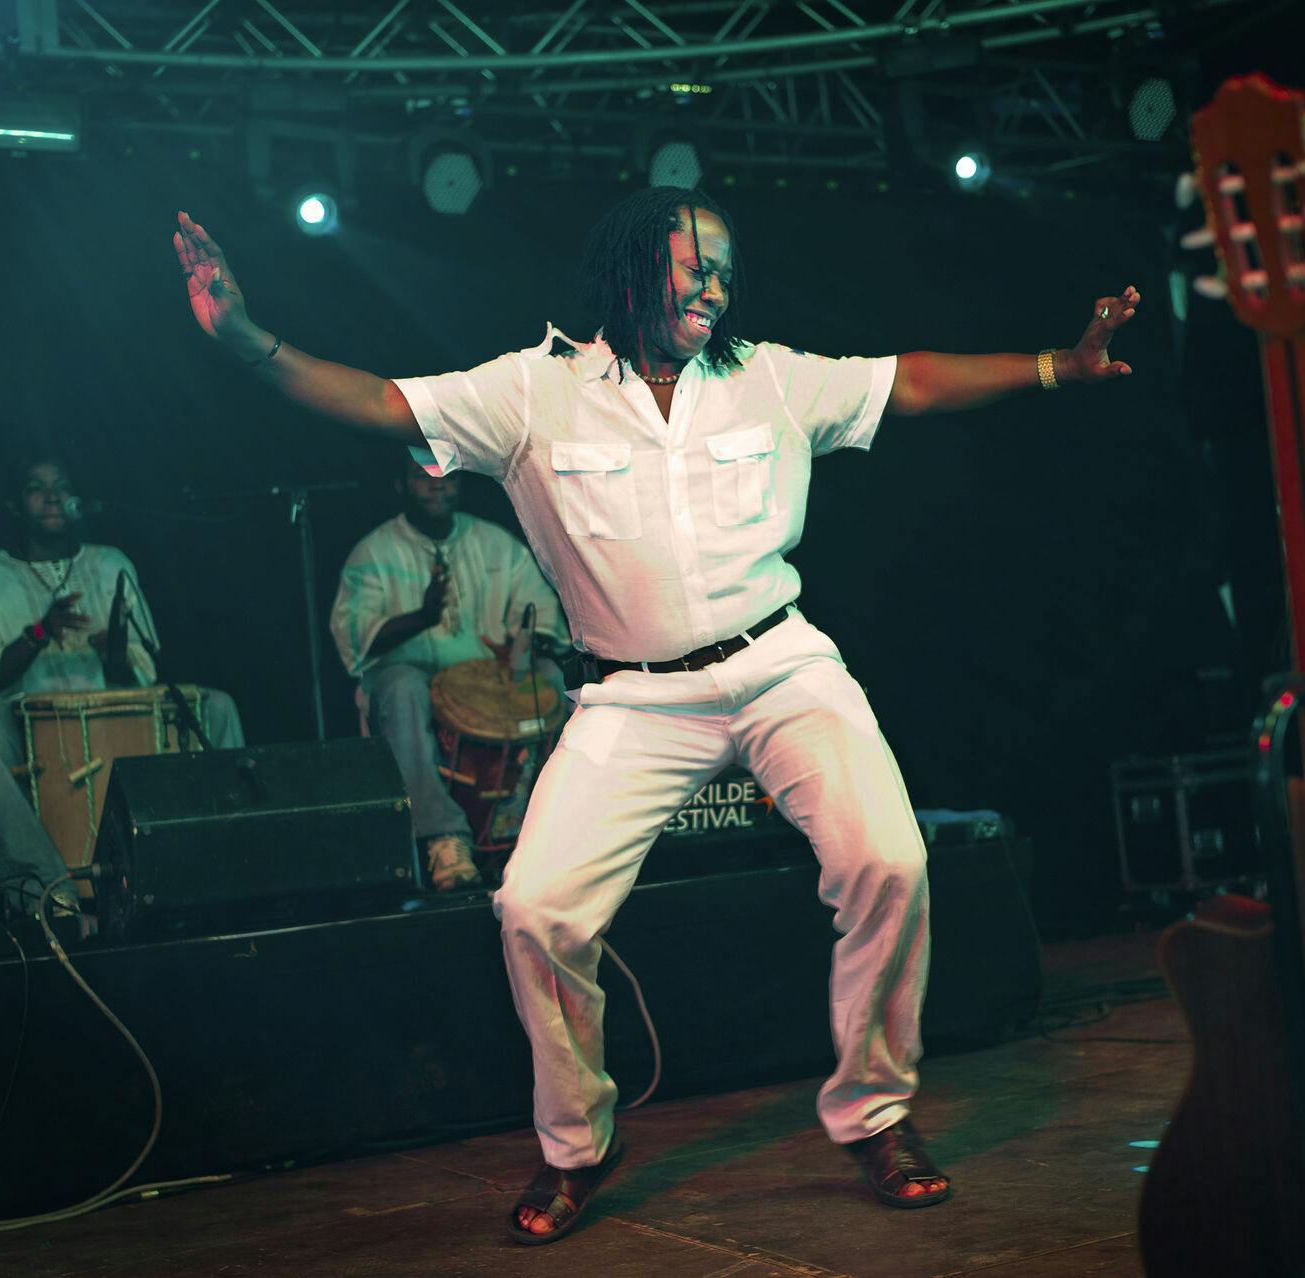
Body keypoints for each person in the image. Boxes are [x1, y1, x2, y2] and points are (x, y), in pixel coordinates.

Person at [172, 189, 1139, 1241]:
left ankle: (874, 1114)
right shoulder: (533, 392)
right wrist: (244, 339)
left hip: (779, 664)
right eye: (695, 265)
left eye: (726, 267)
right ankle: (578, 1145)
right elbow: (380, 406)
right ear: (634, 268)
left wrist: (1056, 365)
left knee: (890, 865)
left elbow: (906, 382)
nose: (716, 285)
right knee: (536, 911)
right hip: (633, 695)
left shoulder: (769, 375)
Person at [0, 454, 245, 920]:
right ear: (13, 504)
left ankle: (226, 870)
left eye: (61, 485)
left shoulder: (111, 564)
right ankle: (48, 898)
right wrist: (39, 633)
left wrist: (116, 656)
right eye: (36, 487)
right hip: (30, 720)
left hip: (117, 709)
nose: (53, 496)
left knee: (220, 707)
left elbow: (145, 669)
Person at [330, 453, 567, 891]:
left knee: (552, 678)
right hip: (416, 677)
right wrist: (421, 616)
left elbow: (542, 615)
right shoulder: (375, 551)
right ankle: (444, 838)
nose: (436, 485)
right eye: (423, 477)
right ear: (401, 486)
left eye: (446, 476)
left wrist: (526, 643)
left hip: (493, 679)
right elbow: (357, 641)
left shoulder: (497, 544)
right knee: (400, 688)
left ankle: (545, 825)